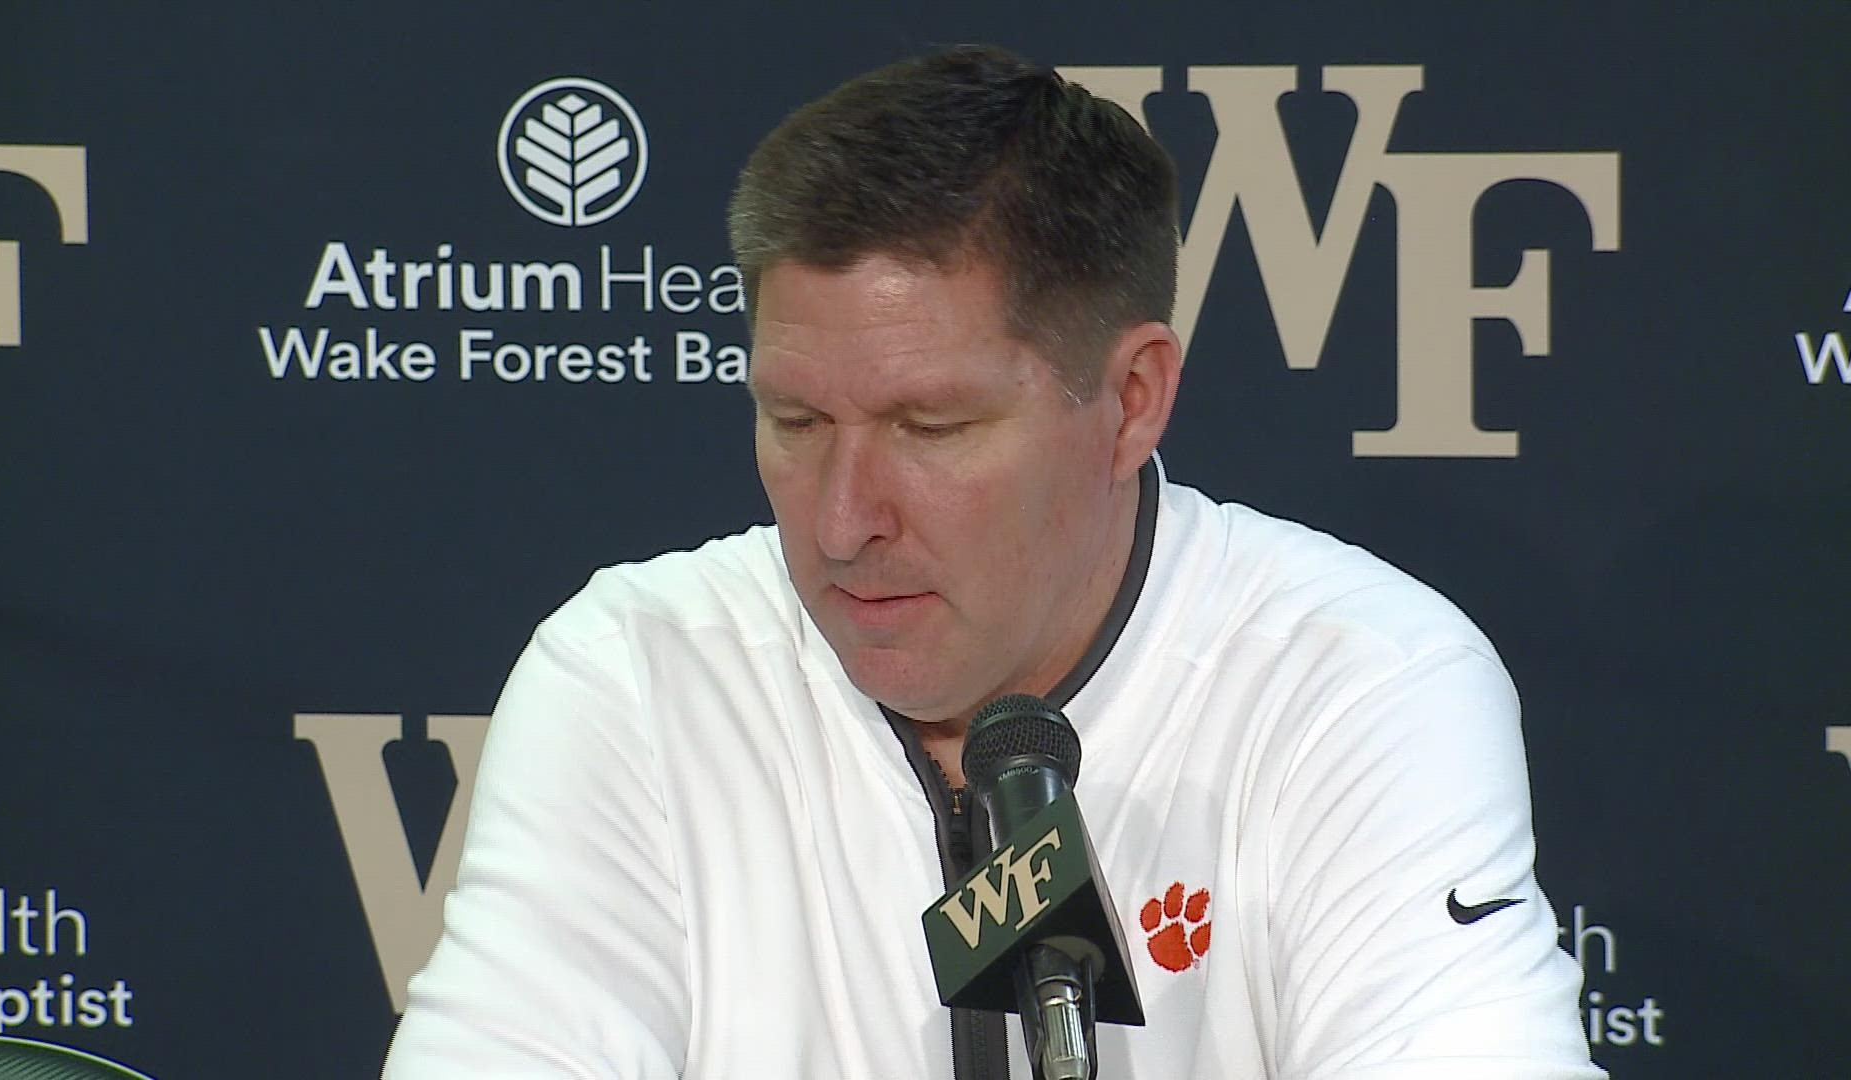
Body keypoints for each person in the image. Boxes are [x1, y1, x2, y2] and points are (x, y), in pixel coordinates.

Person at [382, 46, 1602, 1079]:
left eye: (931, 429)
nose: (844, 519)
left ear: (1131, 402)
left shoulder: (1358, 684)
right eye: (796, 424)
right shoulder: (640, 676)